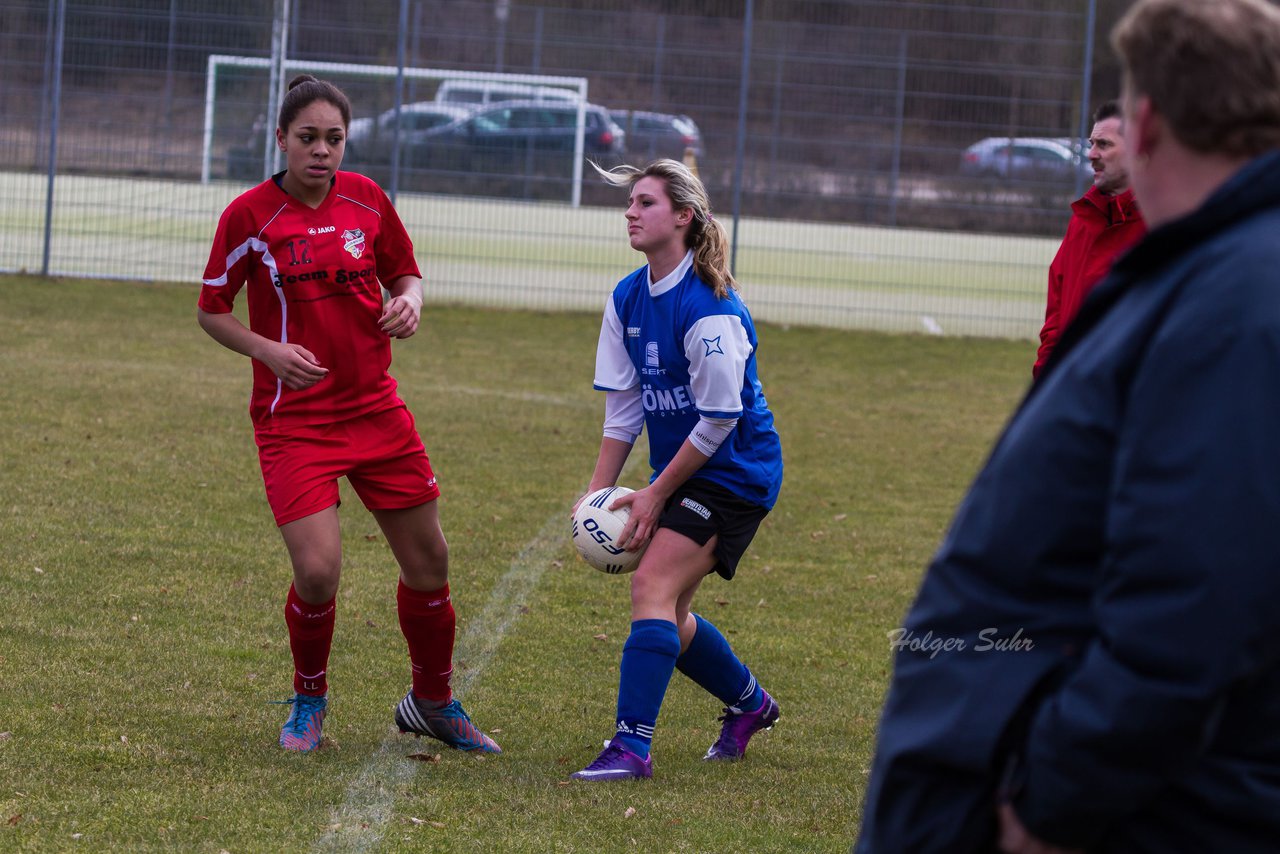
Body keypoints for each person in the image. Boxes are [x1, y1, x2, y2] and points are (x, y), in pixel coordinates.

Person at [856, 0, 1280, 851]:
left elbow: (1191, 600)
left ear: (1149, 121)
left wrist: (1050, 798)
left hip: (1098, 806)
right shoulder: (1212, 271)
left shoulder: (1239, 300)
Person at [197, 74, 499, 755]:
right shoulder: (249, 217)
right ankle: (309, 703)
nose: (322, 151)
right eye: (308, 138)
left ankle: (433, 701)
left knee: (431, 560)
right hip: (295, 423)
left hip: (376, 410)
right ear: (281, 139)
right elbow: (211, 310)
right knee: (318, 572)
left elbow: (405, 272)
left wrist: (411, 302)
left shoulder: (366, 199)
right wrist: (266, 350)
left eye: (334, 139)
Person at [570, 159, 784, 782]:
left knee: (651, 589)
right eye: (630, 203)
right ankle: (750, 705)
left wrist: (657, 493)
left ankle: (631, 748)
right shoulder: (627, 296)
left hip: (738, 471)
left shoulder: (710, 310)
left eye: (645, 203)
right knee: (672, 614)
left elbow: (719, 422)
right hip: (690, 468)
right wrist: (596, 499)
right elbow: (624, 410)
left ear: (683, 217)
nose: (630, 213)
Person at [1032, 100, 1146, 378]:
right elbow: (1057, 310)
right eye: (1091, 144)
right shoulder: (1083, 218)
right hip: (1074, 392)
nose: (1091, 154)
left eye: (1103, 144)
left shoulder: (1166, 224)